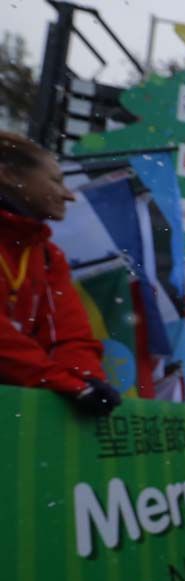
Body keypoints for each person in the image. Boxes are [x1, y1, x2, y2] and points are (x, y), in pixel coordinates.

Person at [0, 131, 119, 416]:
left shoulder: (48, 256)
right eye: (56, 181)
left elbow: (68, 334)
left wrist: (87, 378)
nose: (68, 195)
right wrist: (62, 382)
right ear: (6, 175)